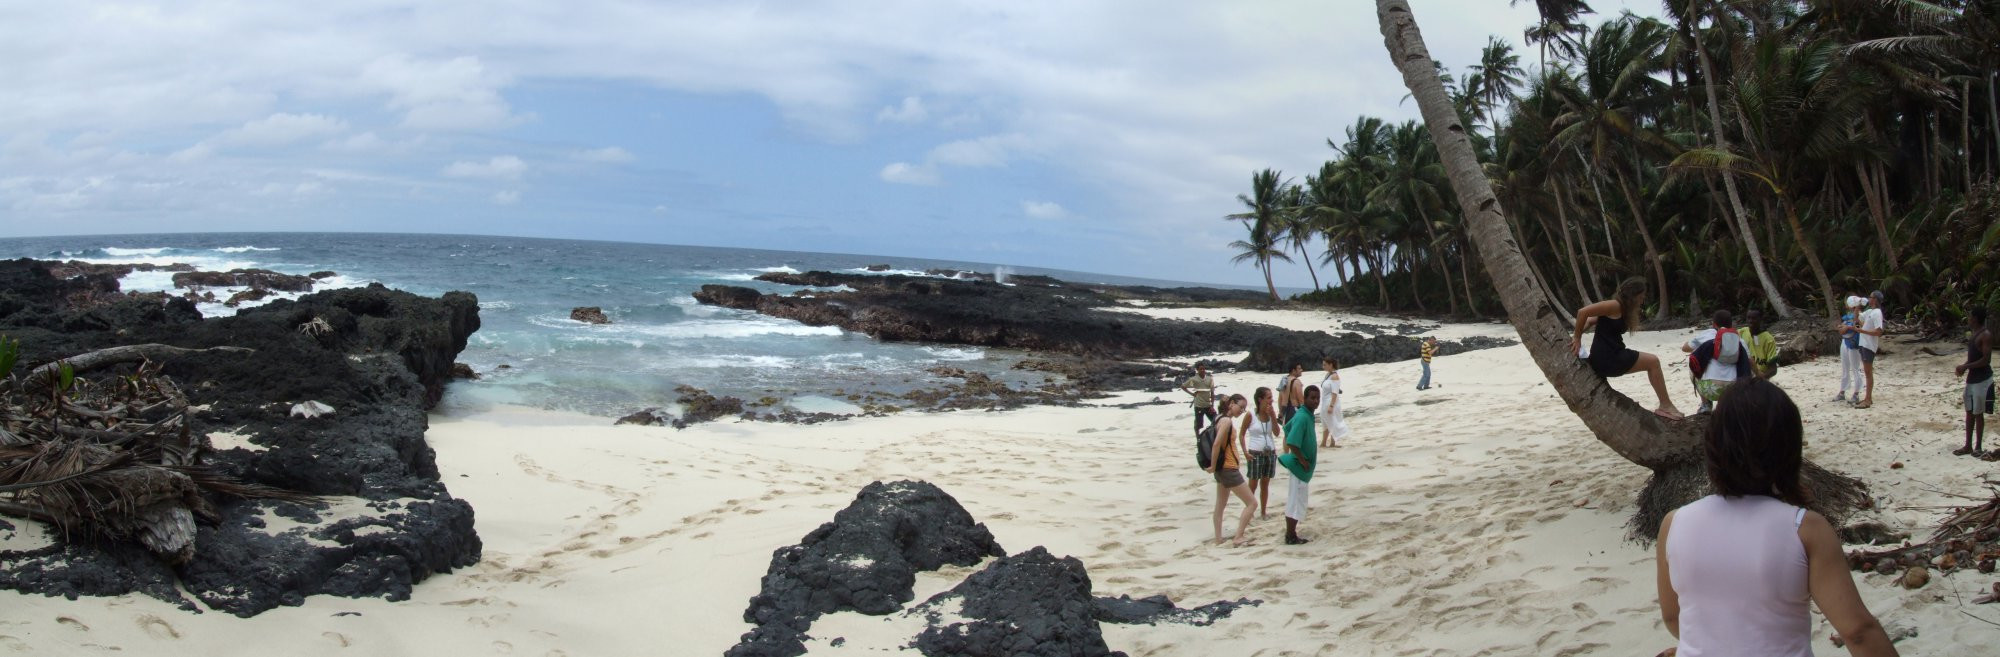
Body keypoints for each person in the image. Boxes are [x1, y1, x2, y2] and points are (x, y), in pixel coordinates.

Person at [1655, 378, 1899, 657]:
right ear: (1789, 449)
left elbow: (1674, 618)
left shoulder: (1674, 523)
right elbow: (1857, 631)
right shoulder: (1806, 529)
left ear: (1713, 445)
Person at [1570, 277, 1686, 420]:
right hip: (1609, 358)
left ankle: (1666, 405)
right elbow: (1583, 312)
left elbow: (1591, 320)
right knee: (1653, 362)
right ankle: (1666, 405)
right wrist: (1576, 338)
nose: (1643, 300)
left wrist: (1580, 332)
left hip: (1608, 357)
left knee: (1652, 362)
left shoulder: (1622, 309)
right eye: (1641, 297)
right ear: (1633, 295)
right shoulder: (1614, 305)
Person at [1204, 394, 1256, 546]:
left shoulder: (1218, 418)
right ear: (1231, 404)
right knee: (1252, 503)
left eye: (1244, 408)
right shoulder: (1226, 421)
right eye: (1240, 407)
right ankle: (1238, 537)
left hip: (1222, 469)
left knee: (1220, 504)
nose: (1242, 411)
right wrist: (1213, 466)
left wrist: (1215, 467)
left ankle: (1218, 539)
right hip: (1228, 468)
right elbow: (1216, 444)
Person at [1681, 310, 1752, 415]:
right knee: (1746, 361)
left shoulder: (1708, 333)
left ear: (1714, 324)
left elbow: (1685, 348)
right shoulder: (1738, 339)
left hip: (1709, 388)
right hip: (1734, 389)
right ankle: (1727, 406)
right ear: (1731, 324)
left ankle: (1706, 404)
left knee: (1694, 360)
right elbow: (1750, 362)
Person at [1277, 386, 1320, 545]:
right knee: (1295, 501)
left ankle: (1291, 533)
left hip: (1302, 466)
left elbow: (1287, 427)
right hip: (1299, 466)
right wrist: (1302, 459)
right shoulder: (1302, 417)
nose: (1315, 401)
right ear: (1305, 398)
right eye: (1312, 398)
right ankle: (1290, 535)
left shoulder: (1306, 415)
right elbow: (1292, 442)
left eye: (1317, 398)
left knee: (1298, 500)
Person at [1954, 307, 1992, 458]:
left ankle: (1978, 446)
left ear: (1975, 318)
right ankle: (1968, 445)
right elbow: (1973, 358)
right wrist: (1965, 367)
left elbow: (1986, 360)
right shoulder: (1975, 334)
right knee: (1969, 411)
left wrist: (1965, 366)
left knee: (1978, 413)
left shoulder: (1985, 335)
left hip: (1982, 379)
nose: (1968, 319)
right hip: (1972, 379)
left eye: (1970, 316)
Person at [1242, 387, 1281, 518]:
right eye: (1269, 397)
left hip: (1270, 452)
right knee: (1252, 484)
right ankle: (1249, 511)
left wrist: (1273, 417)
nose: (1271, 400)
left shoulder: (1271, 414)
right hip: (1255, 453)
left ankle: (1263, 511)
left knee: (1265, 483)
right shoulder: (1251, 415)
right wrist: (1245, 453)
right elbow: (1241, 435)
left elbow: (1276, 433)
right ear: (1260, 399)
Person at [1854, 291, 1886, 409]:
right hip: (1864, 344)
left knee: (1868, 373)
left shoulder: (1877, 313)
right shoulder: (1870, 311)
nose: (1868, 298)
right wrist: (1857, 306)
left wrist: (1863, 331)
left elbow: (1879, 331)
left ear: (1875, 299)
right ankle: (1867, 398)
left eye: (1871, 297)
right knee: (1867, 372)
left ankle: (1868, 399)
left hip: (1869, 345)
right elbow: (1857, 318)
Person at [1836, 295, 1864, 403]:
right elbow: (1842, 328)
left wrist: (1847, 327)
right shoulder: (1848, 316)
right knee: (1845, 368)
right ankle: (1843, 391)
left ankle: (1856, 393)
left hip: (1854, 343)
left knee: (1855, 368)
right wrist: (1843, 327)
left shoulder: (1860, 315)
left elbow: (1858, 327)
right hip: (1845, 341)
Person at [1318, 357, 1351, 448]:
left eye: (1325, 364)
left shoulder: (1335, 376)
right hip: (1325, 401)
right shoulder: (1328, 375)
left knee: (1332, 421)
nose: (1323, 366)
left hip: (1331, 401)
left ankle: (1332, 442)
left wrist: (1331, 405)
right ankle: (1324, 442)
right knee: (1325, 421)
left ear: (1330, 365)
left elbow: (1335, 392)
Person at [1180, 362, 1217, 436]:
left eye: (1204, 369)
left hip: (1208, 405)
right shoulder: (1194, 380)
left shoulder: (1210, 379)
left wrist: (1212, 406)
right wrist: (1192, 394)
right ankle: (1198, 439)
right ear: (1197, 370)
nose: (1203, 370)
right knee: (1198, 425)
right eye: (1200, 369)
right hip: (1198, 406)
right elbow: (1183, 386)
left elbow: (1212, 393)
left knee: (1216, 421)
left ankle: (1213, 437)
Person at [1745, 309, 1779, 379]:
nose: (1750, 321)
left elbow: (1773, 369)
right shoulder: (1741, 332)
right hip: (1745, 377)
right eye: (1748, 318)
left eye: (1754, 318)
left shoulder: (1768, 339)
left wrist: (1760, 377)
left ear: (1761, 319)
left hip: (1761, 379)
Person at [1278, 364, 1304, 429]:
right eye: (1299, 369)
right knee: (1296, 432)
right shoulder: (1296, 382)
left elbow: (1280, 399)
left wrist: (1280, 412)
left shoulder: (1284, 381)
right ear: (1293, 370)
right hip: (1294, 409)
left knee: (1287, 433)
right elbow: (1301, 399)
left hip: (1285, 410)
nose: (1301, 370)